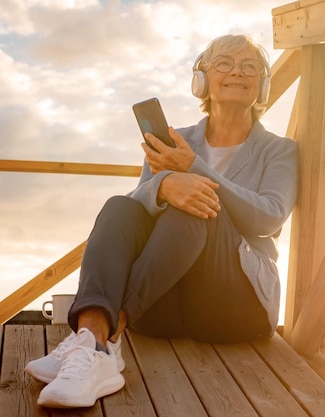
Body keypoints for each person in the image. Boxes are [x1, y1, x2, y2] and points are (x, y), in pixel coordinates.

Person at [25, 34, 298, 409]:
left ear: (262, 84)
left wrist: (191, 170)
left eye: (250, 66)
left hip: (235, 309)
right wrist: (165, 185)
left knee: (196, 204)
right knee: (120, 206)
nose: (237, 71)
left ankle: (106, 340)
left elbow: (268, 217)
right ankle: (92, 339)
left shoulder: (279, 150)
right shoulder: (173, 139)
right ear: (201, 80)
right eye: (224, 63)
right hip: (159, 306)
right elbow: (138, 211)